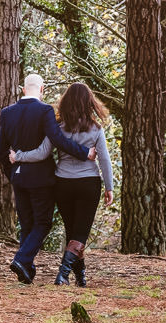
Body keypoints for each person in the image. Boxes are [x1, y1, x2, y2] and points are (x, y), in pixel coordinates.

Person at [10, 82, 114, 286]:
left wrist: (19, 155)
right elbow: (104, 160)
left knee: (73, 232)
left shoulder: (58, 128)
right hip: (88, 184)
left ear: (65, 103)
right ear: (89, 103)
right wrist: (109, 187)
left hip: (63, 183)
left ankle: (80, 277)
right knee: (80, 234)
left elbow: (42, 153)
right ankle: (62, 275)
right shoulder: (96, 129)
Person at [0, 74, 96, 284]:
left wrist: (12, 174)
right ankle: (22, 259)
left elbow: (1, 151)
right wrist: (84, 152)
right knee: (42, 222)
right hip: (41, 178)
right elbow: (57, 139)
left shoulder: (7, 113)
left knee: (27, 224)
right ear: (42, 89)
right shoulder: (44, 111)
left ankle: (26, 270)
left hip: (19, 177)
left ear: (24, 89)